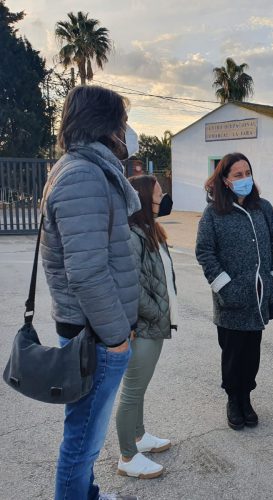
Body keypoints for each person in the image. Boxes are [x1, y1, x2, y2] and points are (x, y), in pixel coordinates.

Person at [41, 85, 141, 500]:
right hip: (95, 334)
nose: (125, 130)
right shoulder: (82, 174)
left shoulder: (84, 168)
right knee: (82, 439)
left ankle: (88, 494)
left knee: (86, 433)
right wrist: (117, 336)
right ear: (105, 124)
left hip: (94, 329)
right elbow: (86, 272)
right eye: (121, 121)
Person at [195, 152, 273, 430]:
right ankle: (233, 400)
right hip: (231, 299)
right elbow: (205, 252)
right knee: (233, 353)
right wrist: (226, 287)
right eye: (238, 175)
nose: (245, 179)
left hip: (259, 297)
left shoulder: (264, 208)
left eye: (248, 173)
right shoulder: (213, 214)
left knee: (252, 353)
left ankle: (246, 398)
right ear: (225, 180)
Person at [115, 175, 178, 479]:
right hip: (143, 326)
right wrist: (154, 314)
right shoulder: (131, 234)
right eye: (158, 193)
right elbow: (130, 285)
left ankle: (140, 437)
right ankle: (127, 455)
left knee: (140, 389)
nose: (163, 197)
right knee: (132, 391)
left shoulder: (149, 230)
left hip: (154, 323)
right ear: (143, 198)